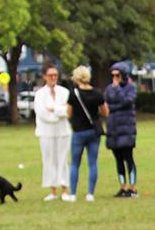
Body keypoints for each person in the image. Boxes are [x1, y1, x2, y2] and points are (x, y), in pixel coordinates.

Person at [65, 66, 108, 203]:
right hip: (93, 131)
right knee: (92, 162)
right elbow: (105, 112)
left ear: (76, 78)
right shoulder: (97, 93)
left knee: (75, 163)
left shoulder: (73, 93)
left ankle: (73, 194)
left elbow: (69, 113)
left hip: (78, 131)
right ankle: (90, 193)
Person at [33, 65, 70, 201]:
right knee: (49, 161)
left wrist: (54, 109)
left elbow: (67, 111)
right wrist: (57, 113)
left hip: (63, 131)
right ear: (44, 77)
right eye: (50, 75)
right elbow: (42, 112)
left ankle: (65, 190)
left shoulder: (64, 92)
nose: (53, 77)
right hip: (46, 132)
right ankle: (53, 191)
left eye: (55, 75)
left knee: (63, 160)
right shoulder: (40, 94)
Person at [103, 61, 137, 198]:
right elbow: (106, 105)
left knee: (128, 158)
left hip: (127, 128)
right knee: (118, 159)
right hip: (113, 128)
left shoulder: (130, 88)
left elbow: (127, 102)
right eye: (113, 75)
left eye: (117, 75)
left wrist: (117, 90)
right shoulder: (109, 89)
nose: (114, 78)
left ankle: (133, 188)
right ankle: (122, 187)